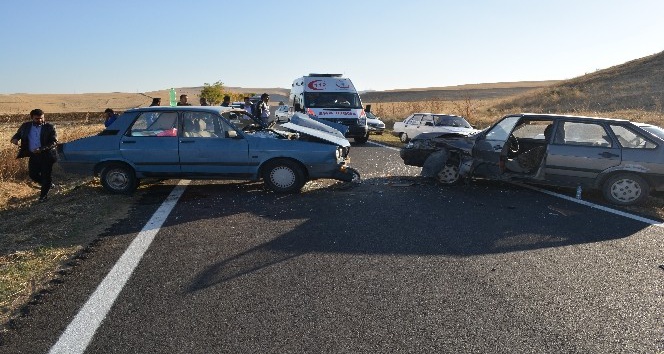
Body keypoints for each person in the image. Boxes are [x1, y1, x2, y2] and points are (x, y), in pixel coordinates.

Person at [10, 109, 58, 202]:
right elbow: (18, 134)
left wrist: (41, 149)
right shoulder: (25, 126)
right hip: (33, 155)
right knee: (33, 174)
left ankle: (43, 197)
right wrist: (15, 139)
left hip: (47, 155)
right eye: (37, 119)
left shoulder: (50, 127)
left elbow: (54, 142)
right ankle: (48, 184)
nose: (40, 120)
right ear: (32, 118)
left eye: (41, 118)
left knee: (46, 176)